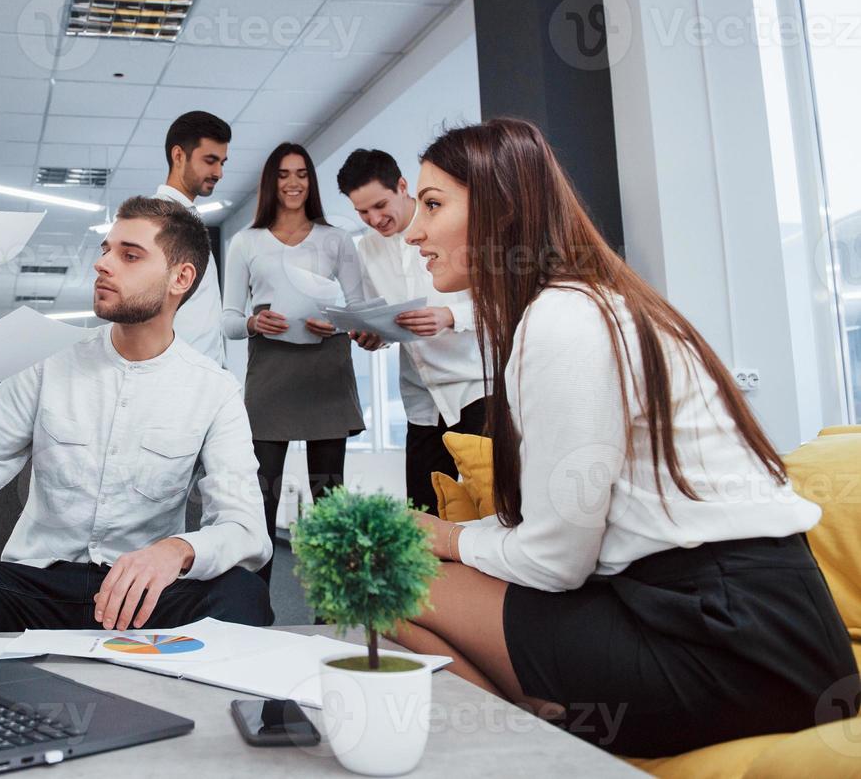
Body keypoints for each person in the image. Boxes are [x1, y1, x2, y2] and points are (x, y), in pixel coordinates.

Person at [387, 118, 858, 757]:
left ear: (503, 210)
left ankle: (523, 750)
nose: (413, 230)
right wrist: (455, 541)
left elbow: (554, 562)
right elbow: (561, 537)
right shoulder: (590, 303)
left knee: (384, 574)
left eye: (434, 205)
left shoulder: (564, 320)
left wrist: (443, 536)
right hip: (747, 621)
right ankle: (535, 731)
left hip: (732, 649)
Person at [0, 197, 272, 633]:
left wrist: (175, 550)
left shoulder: (214, 390)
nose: (103, 264)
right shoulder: (46, 361)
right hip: (37, 587)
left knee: (244, 596)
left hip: (143, 593)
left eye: (130, 255)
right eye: (105, 250)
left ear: (181, 277)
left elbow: (246, 529)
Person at [220, 143, 368, 585]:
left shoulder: (336, 239)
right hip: (271, 373)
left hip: (326, 371)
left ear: (311, 181)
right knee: (262, 497)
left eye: (302, 173)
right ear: (271, 181)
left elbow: (360, 310)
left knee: (329, 496)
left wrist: (338, 324)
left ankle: (332, 606)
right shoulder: (245, 242)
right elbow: (227, 321)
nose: (293, 182)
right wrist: (252, 320)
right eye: (284, 174)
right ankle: (254, 601)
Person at [336, 148, 488, 512]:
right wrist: (374, 336)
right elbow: (386, 317)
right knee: (424, 508)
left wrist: (449, 316)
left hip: (476, 389)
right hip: (420, 396)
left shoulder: (453, 227)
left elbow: (500, 305)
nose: (374, 218)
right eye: (362, 212)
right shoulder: (367, 249)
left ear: (403, 186)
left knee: (487, 504)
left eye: (380, 205)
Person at [154, 110, 231, 366]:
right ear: (178, 156)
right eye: (210, 160)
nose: (219, 172)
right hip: (177, 376)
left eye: (222, 162)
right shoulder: (156, 220)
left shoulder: (191, 219)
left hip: (202, 375)